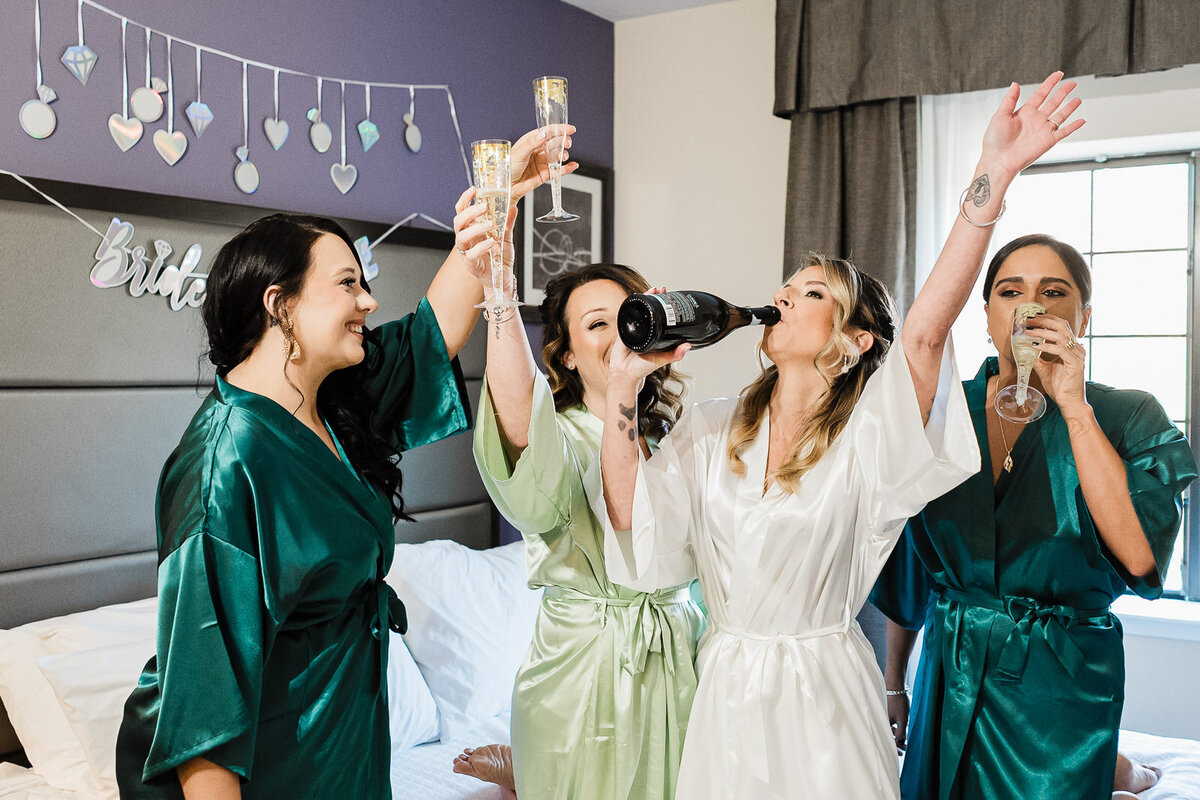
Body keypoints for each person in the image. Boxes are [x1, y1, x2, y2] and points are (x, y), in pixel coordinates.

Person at [595, 72, 1085, 799]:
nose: (786, 293)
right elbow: (641, 537)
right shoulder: (708, 430)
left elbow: (922, 336)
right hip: (726, 697)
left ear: (855, 341)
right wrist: (621, 393)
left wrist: (994, 174)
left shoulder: (870, 436)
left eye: (814, 291)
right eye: (788, 284)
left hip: (823, 705)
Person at [114, 127, 568, 799]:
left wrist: (497, 203)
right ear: (280, 305)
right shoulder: (223, 467)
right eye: (349, 284)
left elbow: (430, 330)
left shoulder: (330, 403)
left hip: (343, 743)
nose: (369, 302)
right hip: (263, 766)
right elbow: (204, 701)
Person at [871, 233, 1197, 800]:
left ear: (1084, 317)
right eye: (1009, 291)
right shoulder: (945, 413)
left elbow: (1141, 554)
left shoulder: (1127, 413)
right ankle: (1120, 769)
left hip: (1059, 674)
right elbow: (910, 566)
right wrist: (895, 683)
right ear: (988, 315)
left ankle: (1117, 768)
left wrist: (1073, 405)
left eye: (1053, 291)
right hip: (951, 670)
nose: (1031, 307)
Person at [448, 190, 703, 799]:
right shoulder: (557, 436)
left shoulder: (677, 438)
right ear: (563, 353)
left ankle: (514, 770)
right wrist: (500, 295)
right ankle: (522, 767)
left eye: (628, 316)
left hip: (679, 661)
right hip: (584, 674)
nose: (617, 333)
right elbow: (523, 440)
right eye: (595, 324)